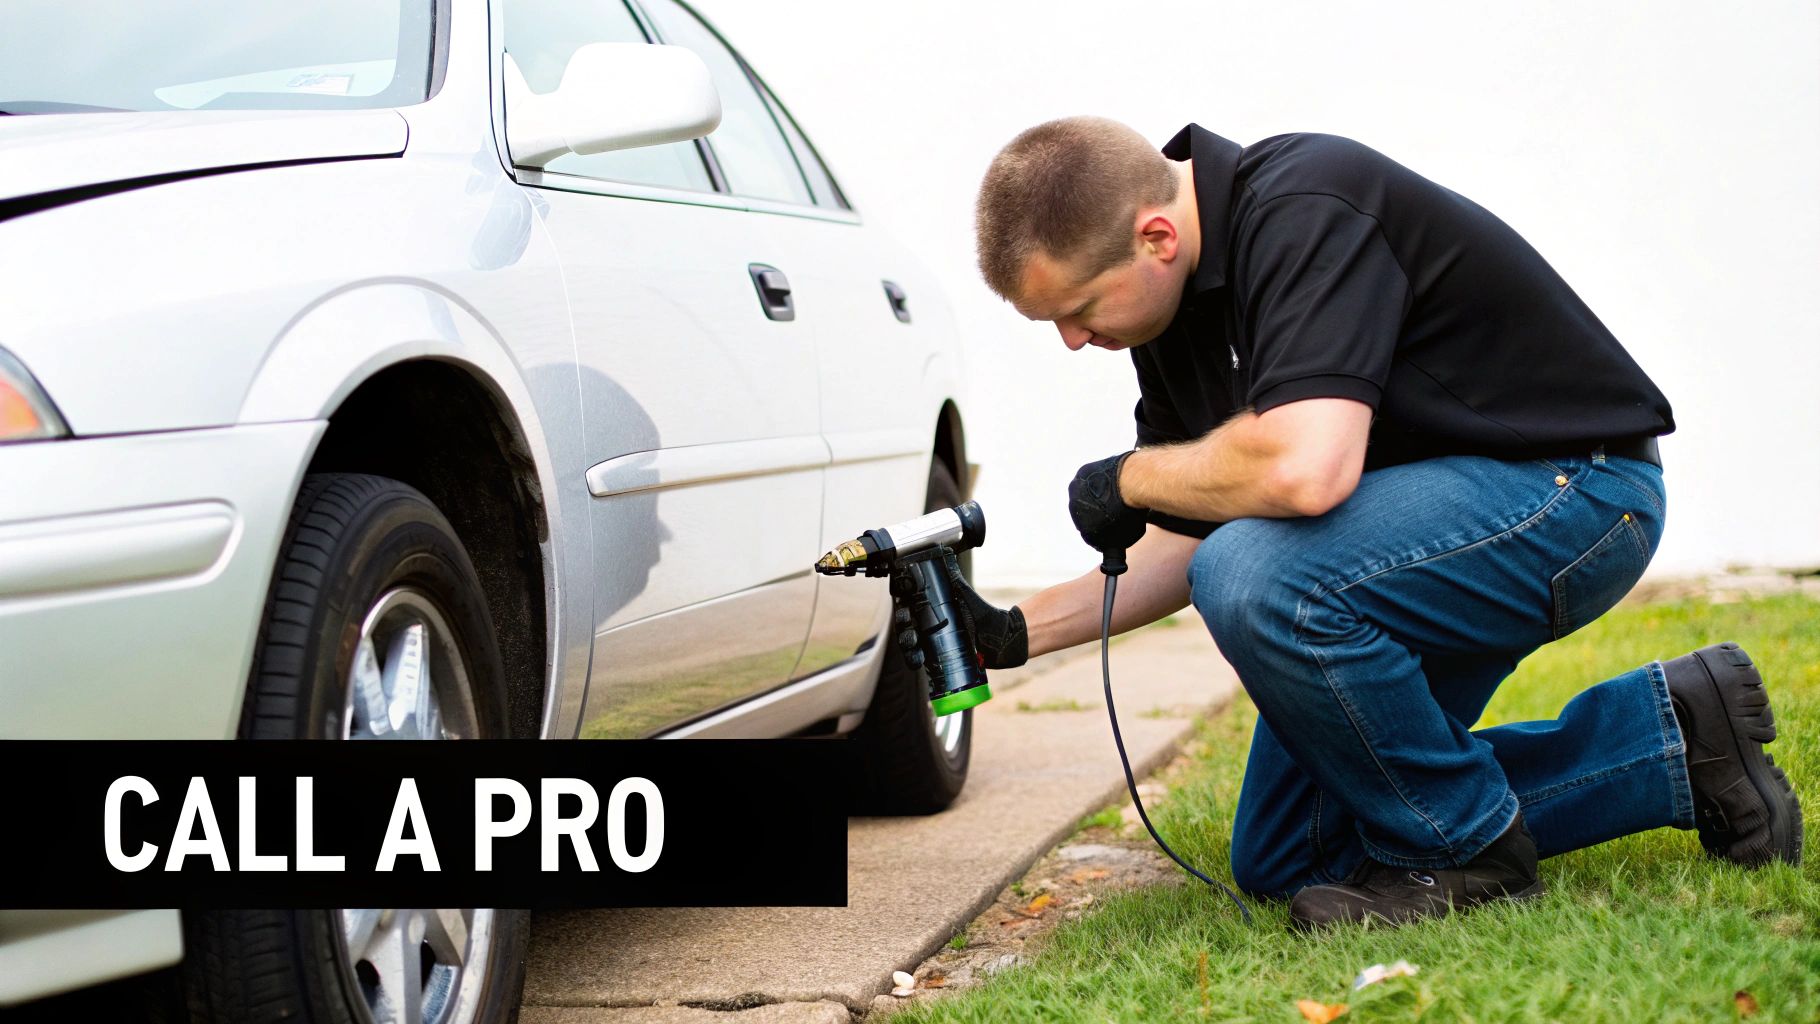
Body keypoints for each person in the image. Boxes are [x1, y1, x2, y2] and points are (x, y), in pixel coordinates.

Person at [943, 116, 1802, 930]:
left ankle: (1466, 851)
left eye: (1077, 308)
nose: (1069, 339)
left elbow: (1305, 470)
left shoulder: (1308, 205)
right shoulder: (1171, 316)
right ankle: (1680, 736)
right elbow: (1195, 529)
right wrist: (1014, 634)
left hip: (1572, 495)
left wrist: (1132, 476)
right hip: (1417, 550)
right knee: (1294, 858)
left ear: (1156, 239)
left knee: (1253, 574)